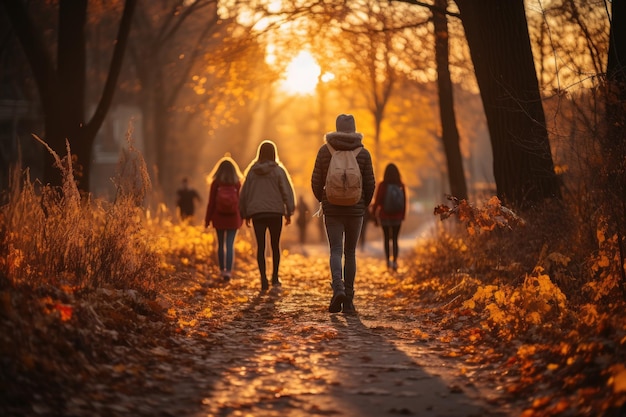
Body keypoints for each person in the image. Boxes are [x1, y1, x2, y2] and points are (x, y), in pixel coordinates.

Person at [311, 114, 375, 314]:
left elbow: (315, 181)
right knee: (350, 253)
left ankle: (337, 287)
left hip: (332, 209)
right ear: (354, 129)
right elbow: (370, 183)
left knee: (336, 251)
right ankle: (348, 301)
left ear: (336, 128)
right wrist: (363, 204)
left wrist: (323, 200)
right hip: (356, 210)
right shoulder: (363, 153)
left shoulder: (325, 150)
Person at [239, 140, 296, 291]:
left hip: (257, 213)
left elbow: (244, 193)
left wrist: (244, 213)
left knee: (261, 247)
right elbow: (287, 191)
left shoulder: (251, 171)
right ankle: (275, 278)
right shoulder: (278, 170)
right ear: (274, 153)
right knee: (275, 246)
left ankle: (263, 280)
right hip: (275, 213)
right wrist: (289, 211)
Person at [204, 157, 244, 281]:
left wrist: (207, 220)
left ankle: (222, 271)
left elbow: (211, 203)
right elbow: (241, 202)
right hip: (233, 218)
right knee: (230, 245)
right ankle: (228, 272)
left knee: (220, 244)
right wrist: (242, 217)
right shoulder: (237, 183)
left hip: (218, 217)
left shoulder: (216, 183)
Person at [371, 163, 407, 271]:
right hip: (397, 217)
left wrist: (374, 214)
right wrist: (402, 215)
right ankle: (395, 262)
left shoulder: (382, 185)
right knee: (395, 239)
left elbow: (377, 201)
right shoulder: (400, 184)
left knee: (386, 239)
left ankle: (388, 261)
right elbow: (404, 201)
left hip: (384, 216)